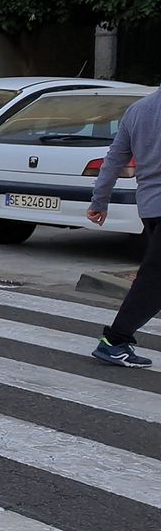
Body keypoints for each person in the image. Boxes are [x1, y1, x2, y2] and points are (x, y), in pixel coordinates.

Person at [88, 88, 161, 368]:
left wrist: (100, 200)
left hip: (150, 206)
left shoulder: (138, 110)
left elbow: (114, 159)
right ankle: (115, 341)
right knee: (154, 279)